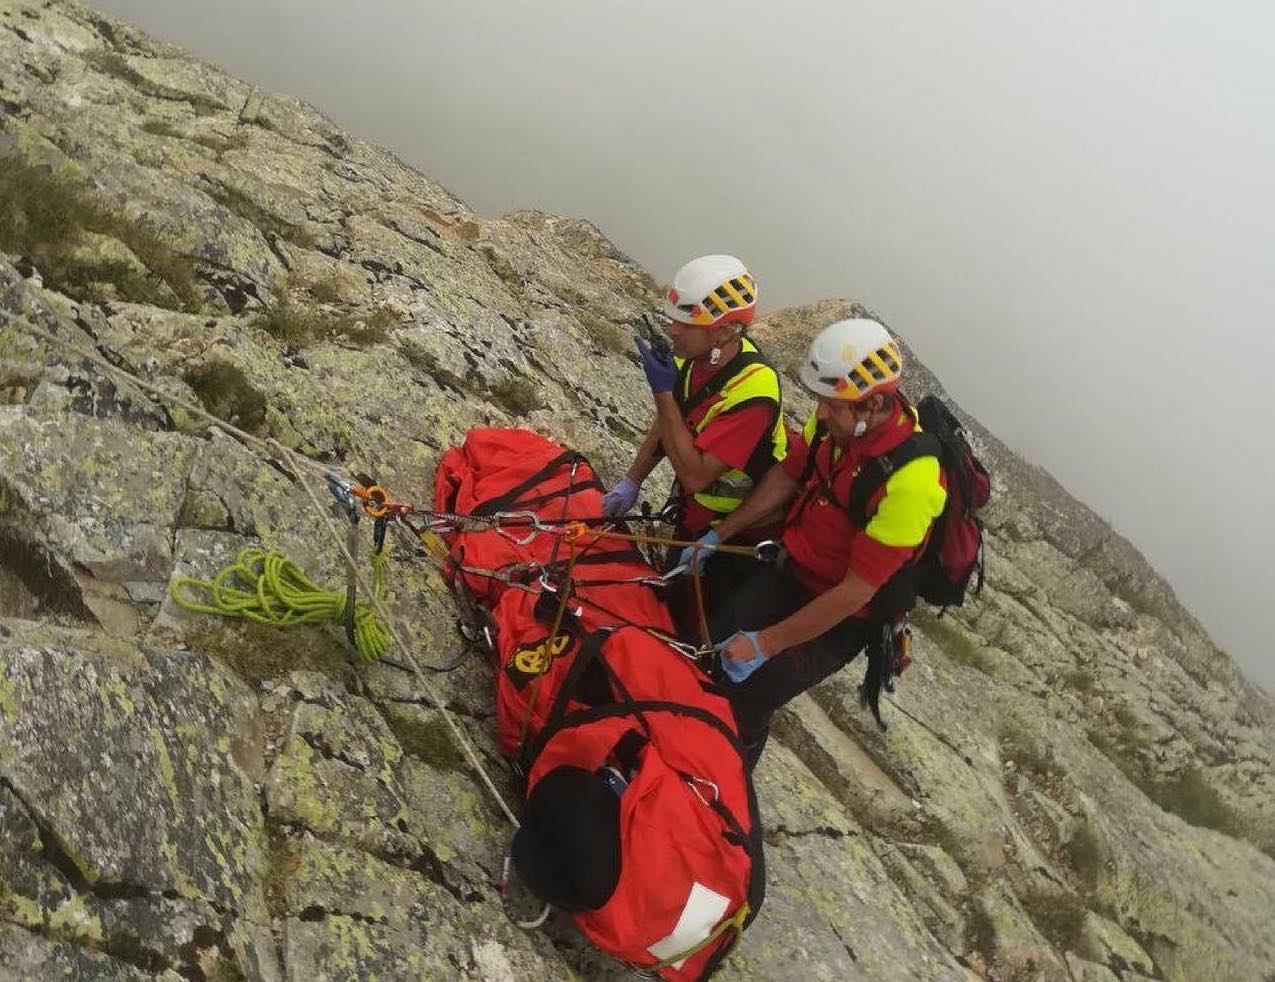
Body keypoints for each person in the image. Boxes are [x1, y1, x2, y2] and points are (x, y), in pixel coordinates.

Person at [684, 317, 948, 768]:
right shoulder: (838, 422)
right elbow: (789, 476)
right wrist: (717, 536)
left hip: (839, 615)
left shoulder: (914, 480)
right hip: (792, 572)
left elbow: (854, 591)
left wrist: (766, 643)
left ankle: (719, 793)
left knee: (747, 699)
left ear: (875, 404)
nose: (821, 414)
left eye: (832, 406)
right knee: (708, 646)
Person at [602, 255, 787, 629]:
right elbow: (668, 425)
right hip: (697, 520)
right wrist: (632, 480)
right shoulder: (697, 358)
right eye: (673, 320)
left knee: (691, 630)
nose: (672, 331)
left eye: (685, 324)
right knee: (666, 606)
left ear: (723, 332)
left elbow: (695, 475)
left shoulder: (754, 392)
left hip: (738, 540)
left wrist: (663, 394)